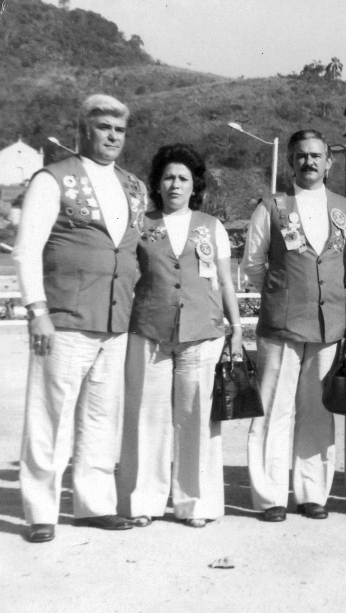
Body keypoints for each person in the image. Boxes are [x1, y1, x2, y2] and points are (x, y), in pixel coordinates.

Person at [14, 94, 145, 542]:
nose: (112, 136)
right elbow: (26, 250)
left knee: (100, 420)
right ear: (83, 130)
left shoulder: (133, 186)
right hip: (64, 320)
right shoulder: (53, 179)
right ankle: (40, 512)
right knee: (50, 419)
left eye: (119, 129)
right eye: (103, 126)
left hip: (115, 323)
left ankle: (93, 506)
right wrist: (37, 312)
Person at [116, 144, 243, 529]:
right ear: (157, 182)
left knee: (197, 419)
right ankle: (143, 501)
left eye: (183, 178)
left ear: (195, 185)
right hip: (149, 331)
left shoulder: (211, 226)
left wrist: (236, 328)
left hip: (202, 334)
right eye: (168, 177)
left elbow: (223, 281)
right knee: (146, 418)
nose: (175, 184)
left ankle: (195, 503)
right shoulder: (141, 223)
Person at [242, 129, 346, 522]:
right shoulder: (271, 206)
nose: (309, 162)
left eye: (316, 156)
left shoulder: (344, 208)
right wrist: (282, 294)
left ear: (329, 162)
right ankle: (271, 495)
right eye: (301, 155)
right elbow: (253, 266)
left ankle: (312, 493)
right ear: (291, 161)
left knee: (318, 412)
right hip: (282, 327)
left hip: (328, 328)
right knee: (273, 410)